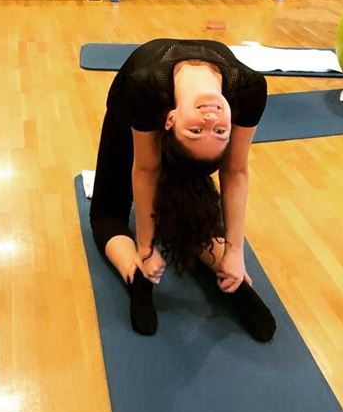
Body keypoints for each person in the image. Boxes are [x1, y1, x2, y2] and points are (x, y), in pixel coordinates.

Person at [90, 38, 276, 342]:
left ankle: (225, 280)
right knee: (124, 212)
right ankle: (140, 274)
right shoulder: (145, 86)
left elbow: (235, 170)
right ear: (170, 119)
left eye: (216, 131)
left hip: (149, 97)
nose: (211, 119)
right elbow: (147, 168)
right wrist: (145, 248)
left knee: (109, 215)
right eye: (205, 130)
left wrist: (235, 253)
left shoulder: (251, 89)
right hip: (134, 105)